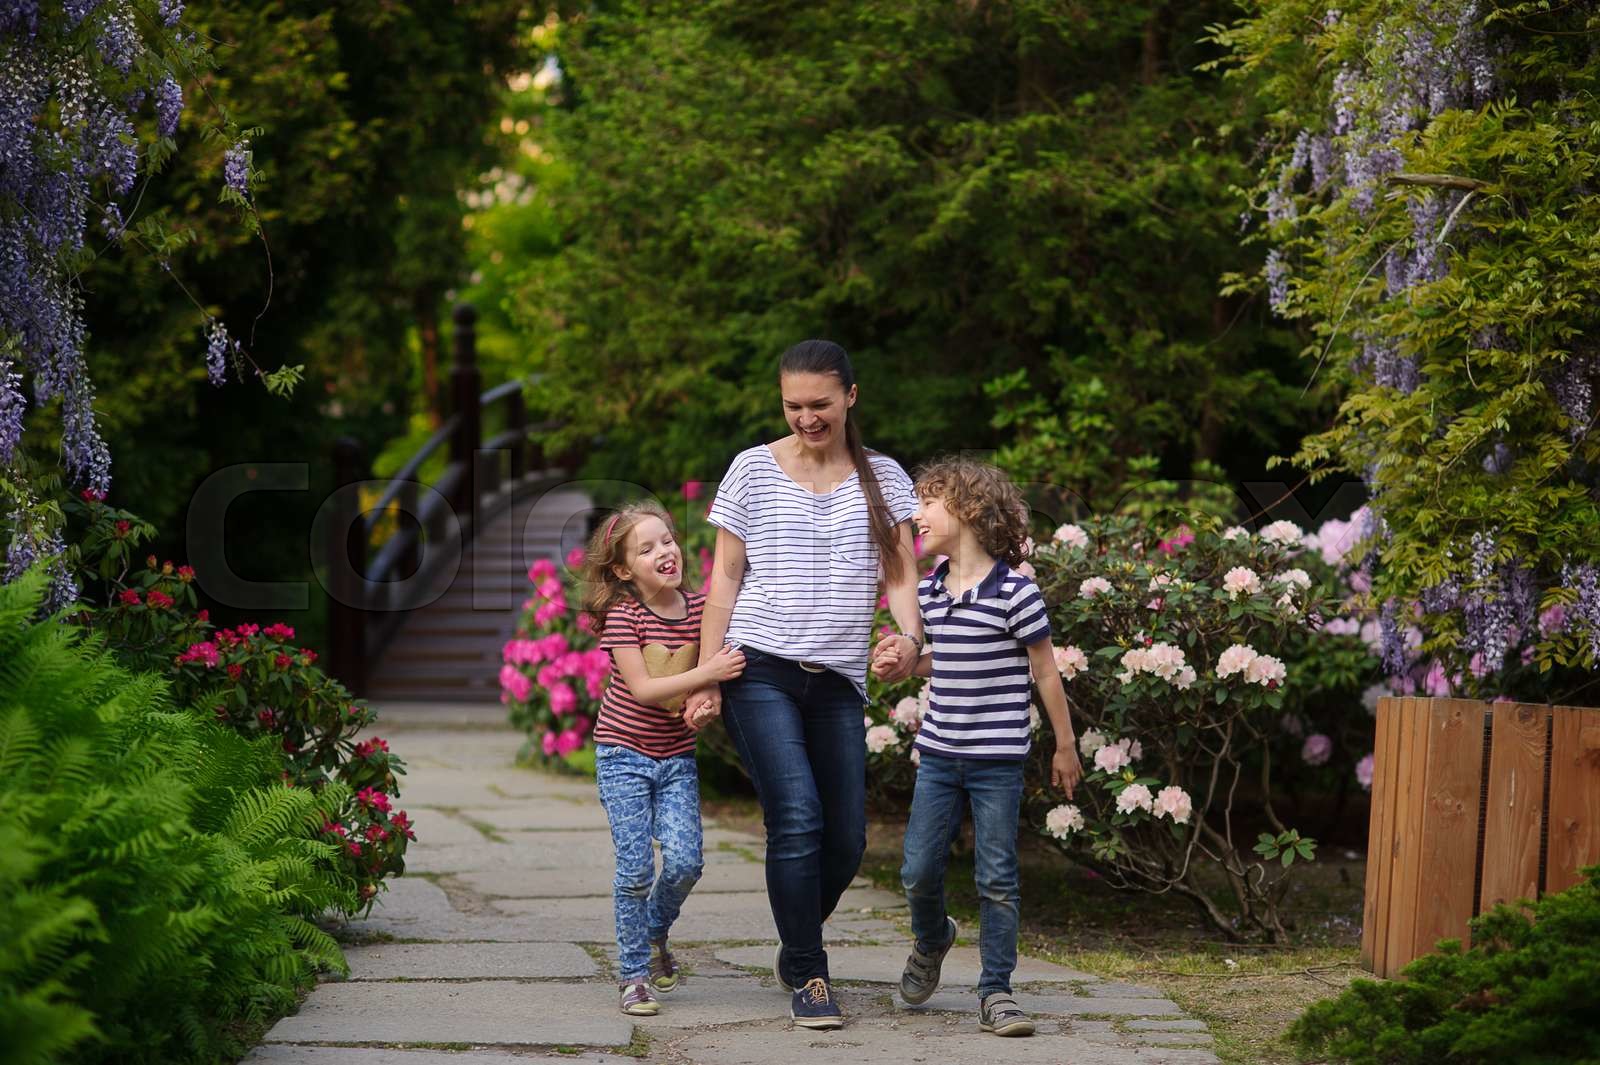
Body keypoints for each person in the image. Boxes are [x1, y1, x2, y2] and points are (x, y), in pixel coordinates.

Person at [687, 340, 923, 1030]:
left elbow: (901, 575)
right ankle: (810, 970)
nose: (805, 417)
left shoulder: (884, 477)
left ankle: (795, 939)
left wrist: (908, 640)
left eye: (819, 404)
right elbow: (725, 580)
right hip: (758, 665)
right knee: (796, 817)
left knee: (846, 838)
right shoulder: (752, 470)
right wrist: (705, 674)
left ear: (851, 396)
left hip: (840, 678)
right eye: (793, 405)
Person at [871, 457, 1083, 1037]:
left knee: (997, 879)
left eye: (927, 502)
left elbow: (1044, 672)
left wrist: (1065, 746)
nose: (916, 515)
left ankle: (997, 992)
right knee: (916, 871)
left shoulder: (1016, 593)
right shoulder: (932, 591)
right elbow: (949, 657)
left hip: (997, 762)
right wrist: (907, 664)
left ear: (965, 509)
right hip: (939, 756)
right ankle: (934, 937)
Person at [579, 501, 747, 1017]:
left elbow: (698, 689)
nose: (664, 552)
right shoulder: (624, 617)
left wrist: (702, 702)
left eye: (668, 540)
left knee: (686, 862)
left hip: (675, 758)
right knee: (633, 870)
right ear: (625, 570)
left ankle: (653, 932)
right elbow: (647, 688)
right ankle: (633, 976)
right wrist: (708, 673)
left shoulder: (701, 611)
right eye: (646, 548)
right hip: (623, 755)